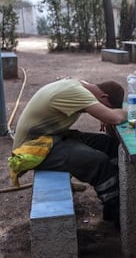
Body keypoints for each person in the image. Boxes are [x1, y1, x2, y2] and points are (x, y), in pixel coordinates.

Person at [9, 78, 127, 228]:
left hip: (53, 137)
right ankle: (116, 214)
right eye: (106, 106)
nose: (102, 108)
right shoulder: (77, 93)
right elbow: (115, 117)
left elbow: (108, 115)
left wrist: (107, 113)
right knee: (99, 162)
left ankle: (121, 191)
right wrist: (125, 113)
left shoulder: (79, 84)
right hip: (34, 148)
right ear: (103, 97)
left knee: (108, 144)